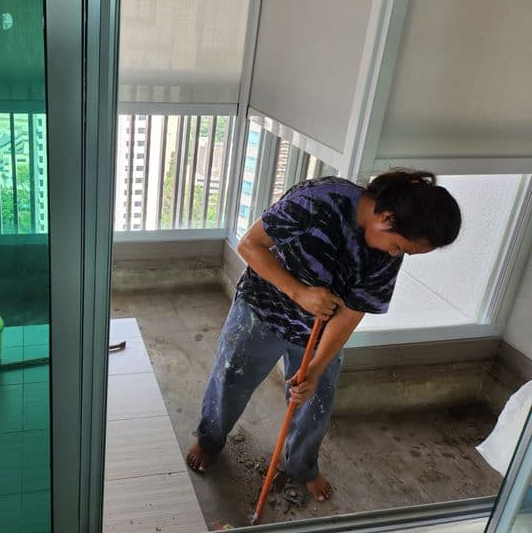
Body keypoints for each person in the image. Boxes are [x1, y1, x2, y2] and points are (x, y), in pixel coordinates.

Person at [185, 170, 461, 502]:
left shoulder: (387, 254)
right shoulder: (319, 201)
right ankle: (209, 439)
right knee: (231, 376)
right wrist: (299, 292)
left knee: (314, 401)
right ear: (386, 218)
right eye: (397, 246)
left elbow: (352, 312)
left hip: (319, 329)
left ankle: (302, 467)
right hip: (262, 307)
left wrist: (315, 368)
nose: (394, 254)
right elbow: (250, 245)